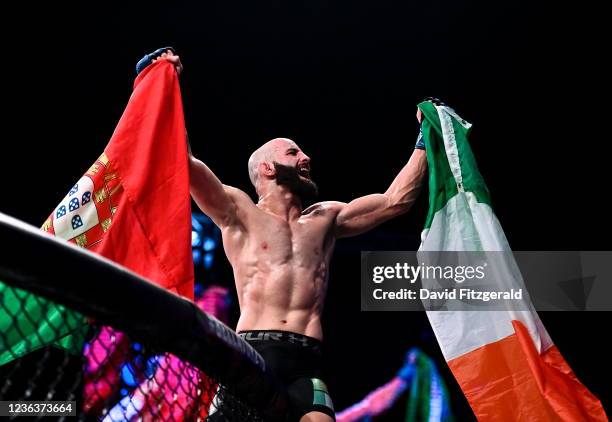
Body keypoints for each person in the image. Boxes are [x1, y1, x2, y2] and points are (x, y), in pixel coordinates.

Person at [138, 47, 428, 422]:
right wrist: (160, 81)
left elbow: (394, 201)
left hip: (308, 361)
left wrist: (427, 137)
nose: (306, 158)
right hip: (253, 354)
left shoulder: (326, 218)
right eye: (294, 153)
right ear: (267, 168)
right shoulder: (239, 211)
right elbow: (183, 162)